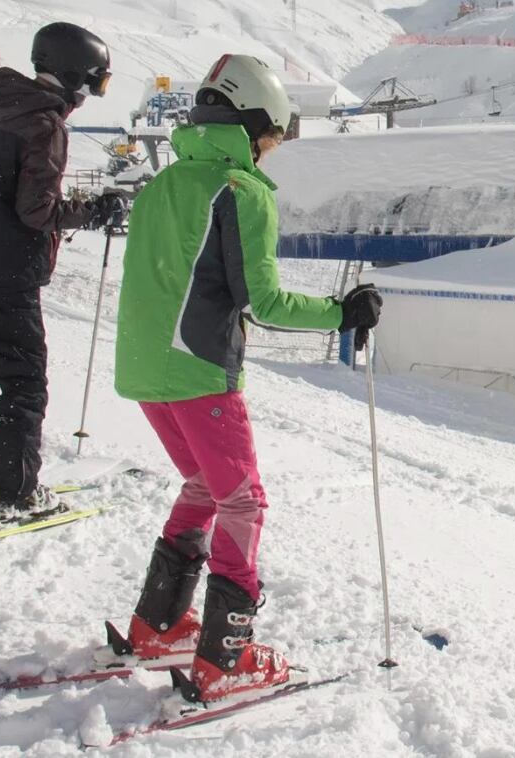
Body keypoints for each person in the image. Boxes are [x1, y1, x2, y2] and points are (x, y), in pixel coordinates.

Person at [113, 54, 383, 703]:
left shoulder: (162, 184)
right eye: (273, 136)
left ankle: (157, 626)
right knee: (243, 501)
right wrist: (342, 312)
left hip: (146, 371)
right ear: (253, 122)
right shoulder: (241, 192)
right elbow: (263, 302)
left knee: (206, 485)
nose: (272, 150)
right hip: (201, 372)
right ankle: (224, 657)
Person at [0, 22, 119, 517]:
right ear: (75, 75)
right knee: (25, 378)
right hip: (4, 268)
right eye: (95, 82)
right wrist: (91, 211)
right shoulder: (43, 124)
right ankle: (14, 493)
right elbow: (37, 211)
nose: (91, 95)